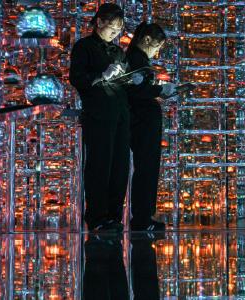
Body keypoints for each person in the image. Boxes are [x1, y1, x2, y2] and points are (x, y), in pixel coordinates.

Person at [70, 4, 141, 232]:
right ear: (99, 22)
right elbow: (77, 78)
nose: (116, 32)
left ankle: (113, 216)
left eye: (119, 28)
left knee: (119, 166)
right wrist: (101, 76)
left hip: (120, 114)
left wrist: (131, 79)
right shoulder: (84, 47)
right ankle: (97, 217)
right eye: (113, 26)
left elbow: (121, 82)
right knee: (100, 165)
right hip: (98, 115)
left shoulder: (118, 51)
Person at [126, 22, 176, 231]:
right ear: (146, 40)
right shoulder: (135, 60)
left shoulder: (137, 60)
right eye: (157, 46)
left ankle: (143, 216)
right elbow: (137, 91)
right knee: (146, 168)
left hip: (142, 120)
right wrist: (159, 90)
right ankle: (142, 218)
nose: (157, 51)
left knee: (146, 168)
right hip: (142, 121)